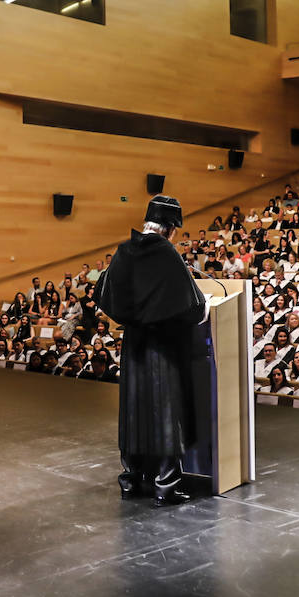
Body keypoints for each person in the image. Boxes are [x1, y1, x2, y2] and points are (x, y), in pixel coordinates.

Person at [96, 195, 207, 507]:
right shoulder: (166, 254)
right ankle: (165, 486)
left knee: (134, 412)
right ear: (170, 229)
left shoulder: (123, 251)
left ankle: (131, 479)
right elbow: (193, 307)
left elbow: (103, 295)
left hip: (133, 346)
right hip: (162, 348)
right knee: (165, 412)